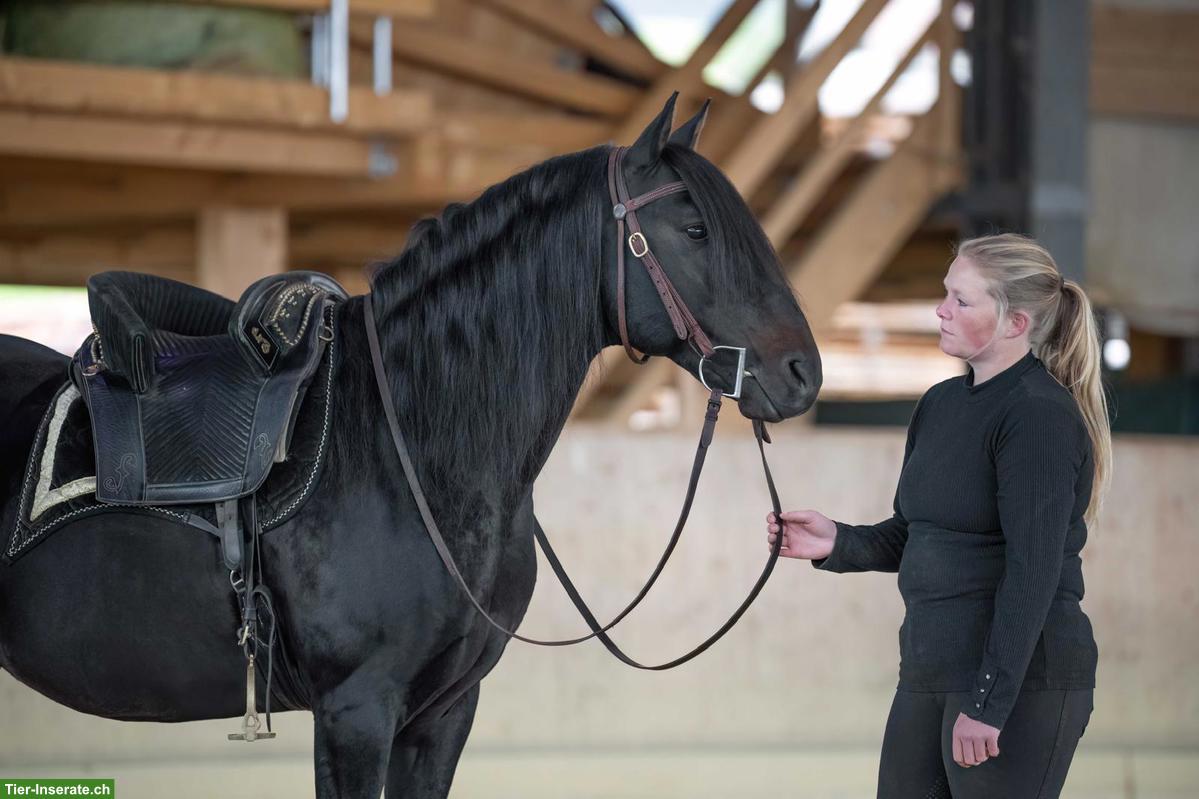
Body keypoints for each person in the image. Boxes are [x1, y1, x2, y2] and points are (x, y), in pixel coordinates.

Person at [767, 233, 1111, 798]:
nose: (941, 309)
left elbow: (1033, 571)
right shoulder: (941, 404)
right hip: (929, 672)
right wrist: (839, 542)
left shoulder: (1038, 416)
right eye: (945, 293)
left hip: (1017, 685)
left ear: (1014, 324)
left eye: (961, 299)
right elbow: (918, 532)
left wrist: (989, 704)